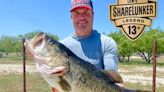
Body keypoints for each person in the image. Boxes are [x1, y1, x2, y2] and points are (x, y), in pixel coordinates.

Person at [52, 0, 124, 92]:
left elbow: (115, 81)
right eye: (77, 13)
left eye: (86, 12)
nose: (81, 17)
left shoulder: (107, 43)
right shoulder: (60, 47)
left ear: (93, 15)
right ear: (71, 17)